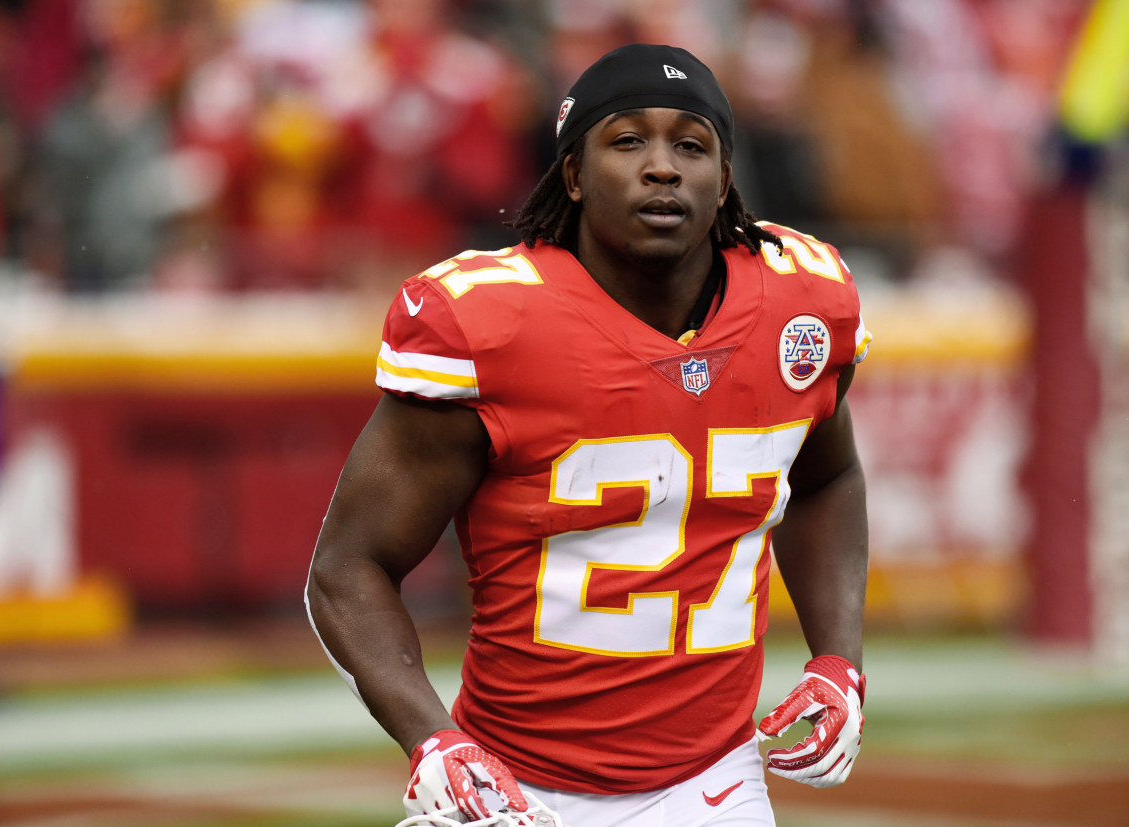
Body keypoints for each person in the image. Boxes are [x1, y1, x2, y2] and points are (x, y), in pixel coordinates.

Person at [305, 43, 870, 827]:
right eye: (628, 140)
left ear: (726, 176)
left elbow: (828, 478)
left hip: (710, 781)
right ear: (572, 174)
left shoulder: (800, 303)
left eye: (691, 144)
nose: (663, 166)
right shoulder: (493, 323)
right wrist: (432, 740)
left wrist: (838, 660)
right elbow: (348, 565)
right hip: (510, 786)